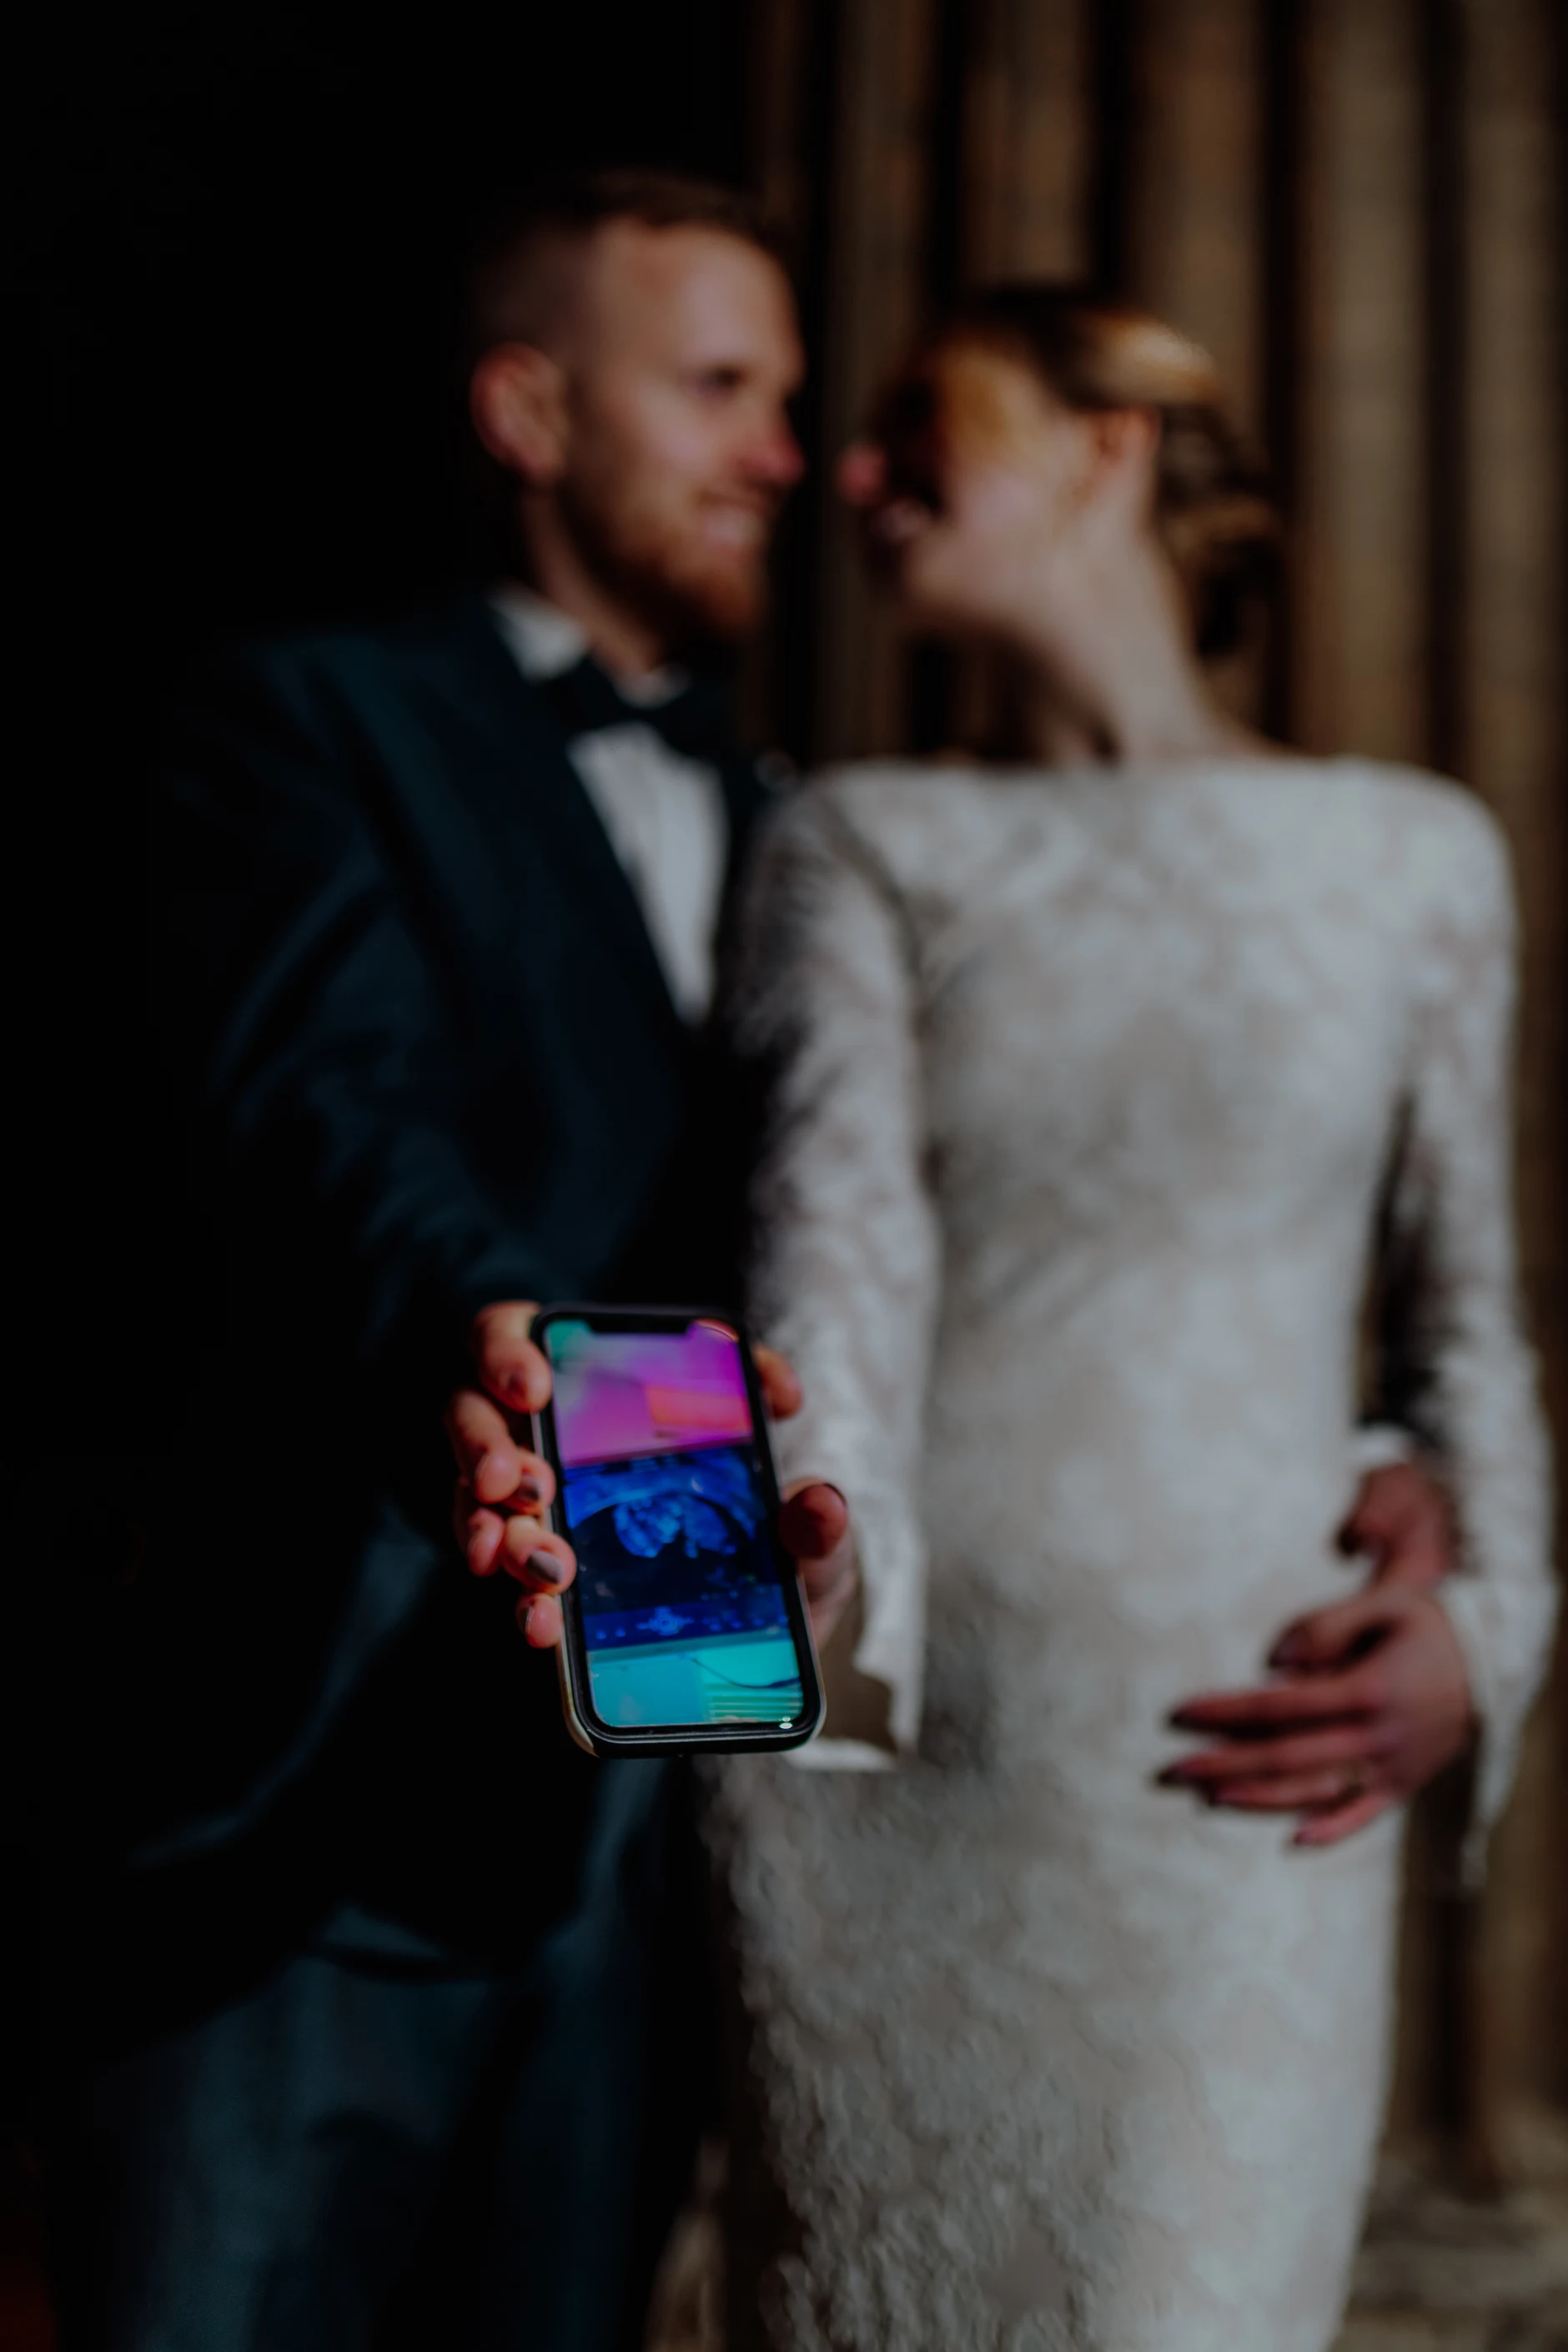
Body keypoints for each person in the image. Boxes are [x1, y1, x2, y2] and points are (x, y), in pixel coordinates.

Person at [686, 290, 1556, 2350]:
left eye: (919, 427)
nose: (856, 481)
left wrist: (1487, 1629)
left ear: (1111, 444)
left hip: (1242, 1787)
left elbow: (1466, 1329)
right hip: (882, 1782)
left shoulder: (1412, 853)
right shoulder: (859, 837)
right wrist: (741, 1675)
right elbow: (827, 1296)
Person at [58, 171, 854, 2352]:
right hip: (311, 1817)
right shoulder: (299, 717)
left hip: (666, 1853)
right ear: (526, 409)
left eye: (785, 399)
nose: (781, 454)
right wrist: (488, 1328)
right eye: (716, 388)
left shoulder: (815, 821)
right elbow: (326, 1114)